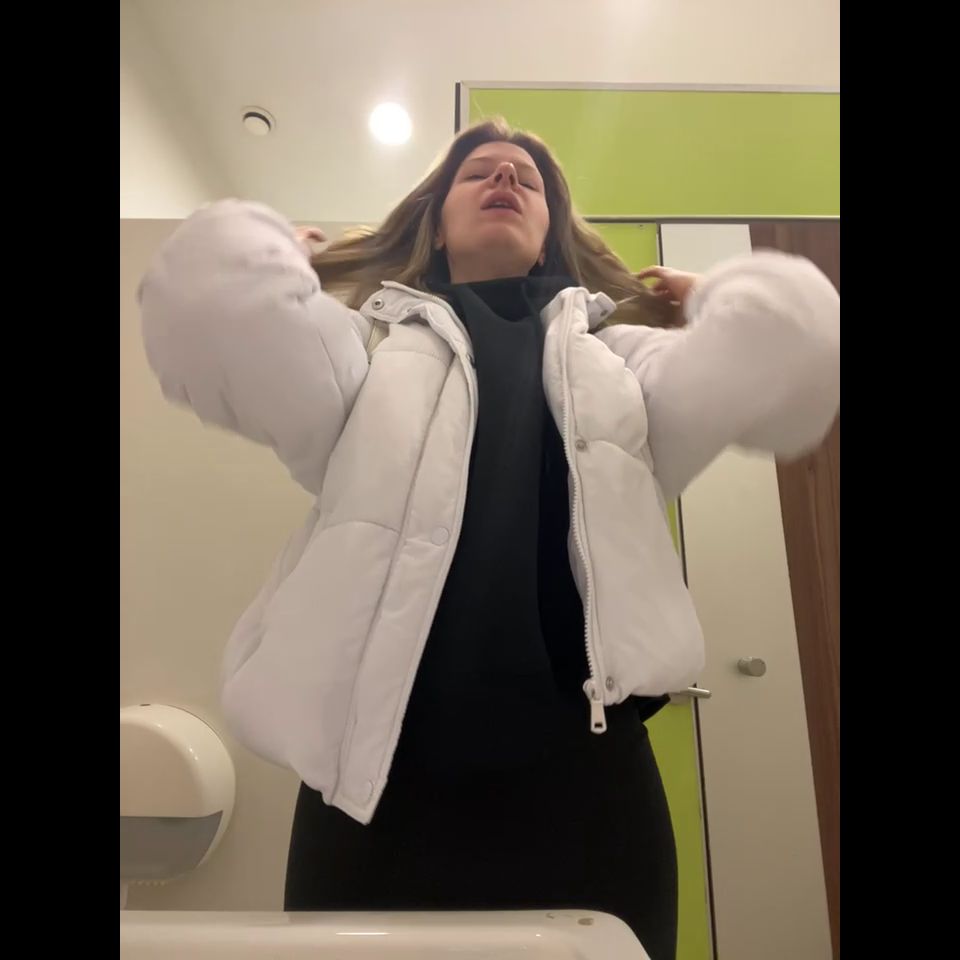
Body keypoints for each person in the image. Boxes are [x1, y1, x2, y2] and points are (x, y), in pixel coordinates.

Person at [138, 117, 840, 959]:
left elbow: (799, 356)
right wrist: (262, 256)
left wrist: (715, 298)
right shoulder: (367, 350)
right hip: (371, 787)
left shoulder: (626, 361)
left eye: (527, 178)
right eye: (479, 172)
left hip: (590, 787)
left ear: (550, 234)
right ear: (436, 223)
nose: (505, 178)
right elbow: (207, 315)